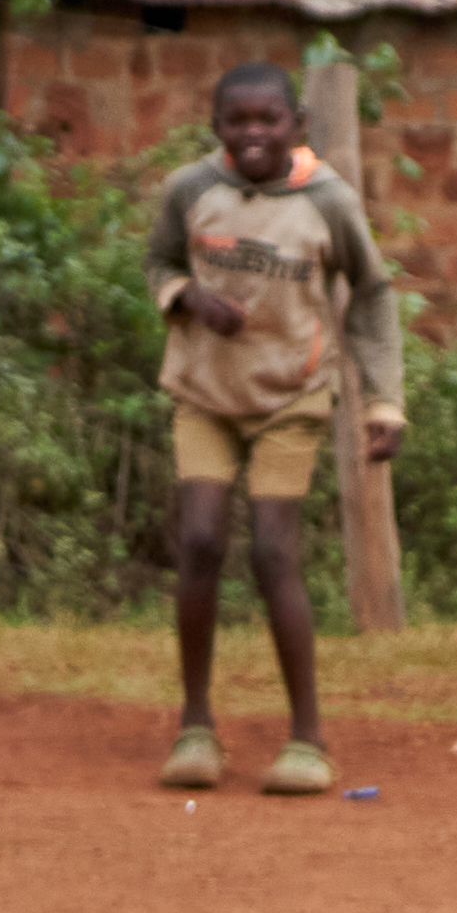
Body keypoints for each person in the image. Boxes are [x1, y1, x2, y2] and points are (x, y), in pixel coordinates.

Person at [144, 57, 392, 798]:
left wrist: (383, 402)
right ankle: (195, 726)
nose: (252, 135)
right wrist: (188, 297)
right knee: (197, 539)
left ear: (297, 126)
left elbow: (373, 295)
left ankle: (307, 739)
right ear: (215, 128)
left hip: (292, 397)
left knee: (273, 551)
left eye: (267, 121)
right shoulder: (190, 190)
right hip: (205, 393)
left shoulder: (326, 201)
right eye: (236, 122)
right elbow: (158, 261)